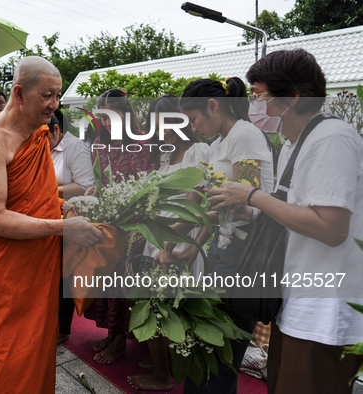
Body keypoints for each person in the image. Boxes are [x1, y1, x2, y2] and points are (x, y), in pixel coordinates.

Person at [208, 49, 363, 394]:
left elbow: (331, 228)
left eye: (259, 95)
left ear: (292, 97)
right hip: (297, 302)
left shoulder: (331, 139)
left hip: (325, 312)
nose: (253, 104)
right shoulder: (295, 142)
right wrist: (251, 210)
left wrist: (252, 196)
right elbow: (296, 212)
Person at [0, 56, 103, 393]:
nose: (55, 105)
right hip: (0, 272)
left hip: (36, 266)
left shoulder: (38, 135)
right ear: (19, 93)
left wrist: (70, 206)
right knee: (2, 359)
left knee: (33, 354)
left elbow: (37, 195)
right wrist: (64, 227)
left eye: (58, 95)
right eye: (47, 95)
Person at [177, 77, 274, 394]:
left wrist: (182, 230)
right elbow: (220, 207)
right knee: (204, 352)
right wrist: (191, 245)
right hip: (222, 254)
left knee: (220, 356)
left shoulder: (245, 136)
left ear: (214, 106)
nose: (193, 128)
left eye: (194, 119)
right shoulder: (220, 143)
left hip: (243, 259)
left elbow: (246, 206)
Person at [128, 95, 210, 392]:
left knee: (171, 310)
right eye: (156, 124)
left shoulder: (197, 151)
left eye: (167, 124)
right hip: (157, 239)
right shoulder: (166, 156)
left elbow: (195, 208)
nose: (161, 130)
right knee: (152, 307)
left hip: (177, 242)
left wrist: (171, 246)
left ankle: (165, 376)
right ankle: (164, 366)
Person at [83, 88, 159, 365]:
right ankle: (113, 333)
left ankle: (120, 342)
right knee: (109, 282)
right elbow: (101, 182)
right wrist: (94, 191)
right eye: (103, 117)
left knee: (125, 284)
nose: (107, 122)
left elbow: (150, 185)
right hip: (110, 222)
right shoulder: (99, 145)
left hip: (138, 226)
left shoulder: (144, 143)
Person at [46, 109, 95, 345]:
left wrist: (46, 192)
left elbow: (85, 185)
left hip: (70, 215)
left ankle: (61, 328)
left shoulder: (75, 147)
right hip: (47, 214)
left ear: (56, 130)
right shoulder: (43, 146)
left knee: (63, 273)